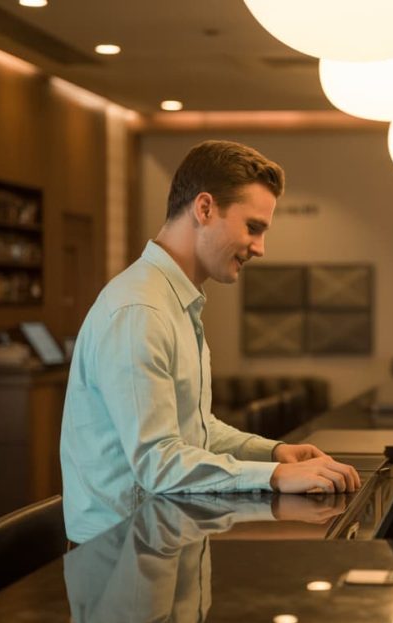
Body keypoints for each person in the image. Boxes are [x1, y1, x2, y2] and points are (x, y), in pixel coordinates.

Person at [61, 140, 359, 544]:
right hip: (122, 557)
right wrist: (273, 476)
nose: (260, 248)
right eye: (253, 227)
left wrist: (273, 453)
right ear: (204, 209)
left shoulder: (176, 302)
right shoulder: (140, 311)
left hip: (163, 540)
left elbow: (195, 432)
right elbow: (159, 463)